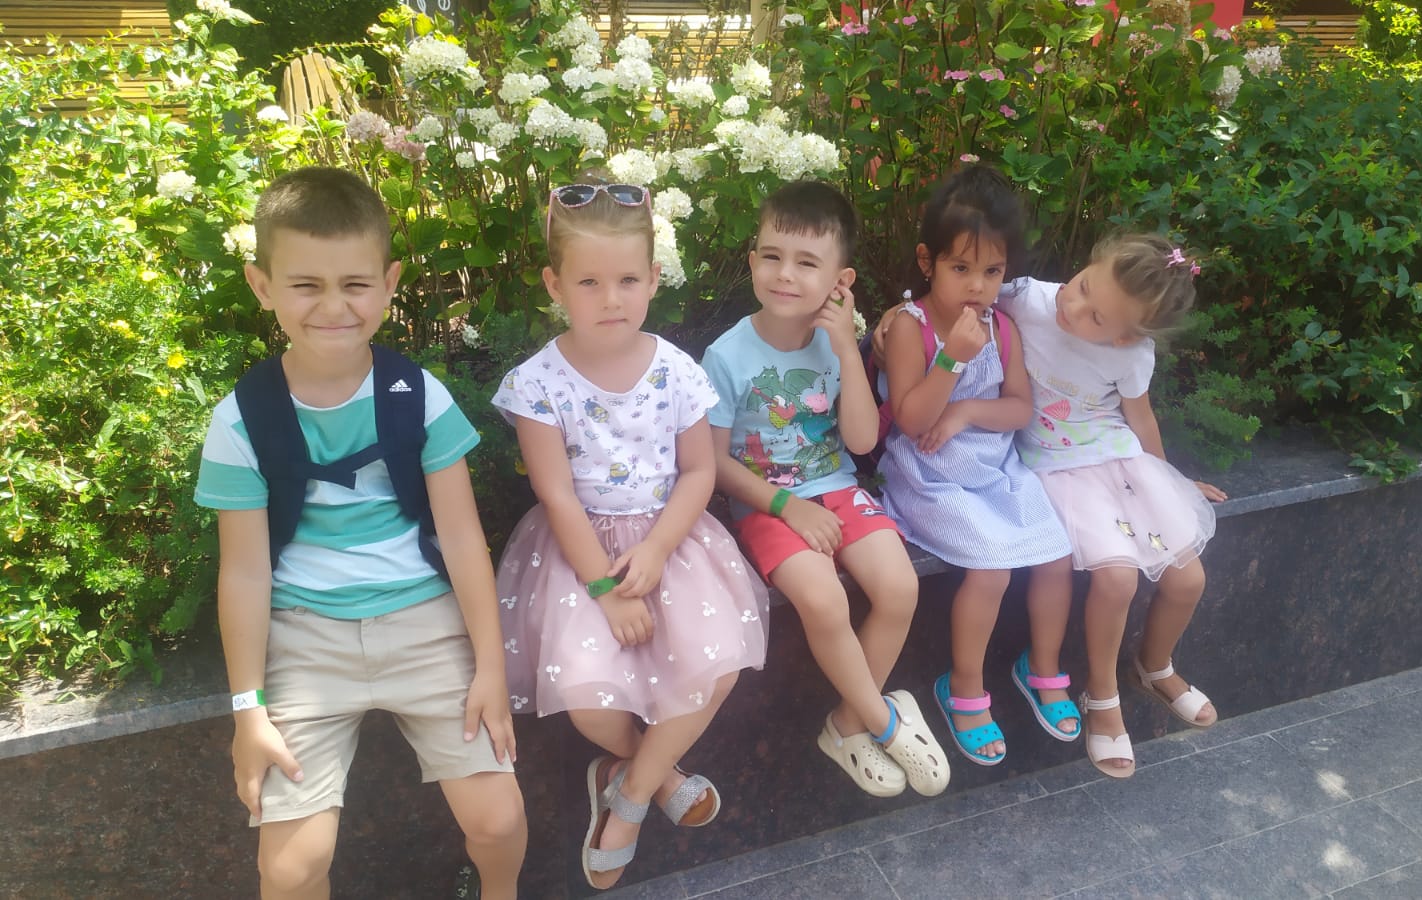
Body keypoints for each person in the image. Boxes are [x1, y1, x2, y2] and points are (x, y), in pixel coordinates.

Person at [196, 167, 526, 900]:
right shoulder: (241, 419)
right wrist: (247, 713)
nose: (334, 306)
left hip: (426, 625)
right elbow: (244, 574)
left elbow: (464, 538)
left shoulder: (417, 395)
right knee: (291, 869)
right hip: (306, 639)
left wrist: (491, 668)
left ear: (389, 282)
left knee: (499, 820)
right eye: (305, 285)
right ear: (262, 285)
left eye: (355, 282)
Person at [492, 179, 768, 891]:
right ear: (555, 284)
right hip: (580, 551)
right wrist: (608, 589)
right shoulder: (538, 384)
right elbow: (553, 491)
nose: (610, 298)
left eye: (626, 279)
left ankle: (631, 795)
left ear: (653, 279)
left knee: (717, 664)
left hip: (670, 539)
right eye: (588, 281)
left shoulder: (676, 370)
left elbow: (699, 473)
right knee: (585, 694)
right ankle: (654, 770)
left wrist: (653, 549)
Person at [702, 181, 950, 800]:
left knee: (899, 587)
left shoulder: (836, 344)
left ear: (841, 280)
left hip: (837, 484)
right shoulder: (726, 357)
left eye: (807, 263)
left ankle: (844, 725)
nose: (785, 275)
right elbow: (710, 464)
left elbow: (862, 442)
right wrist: (787, 505)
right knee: (823, 601)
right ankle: (887, 720)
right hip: (766, 502)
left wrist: (845, 349)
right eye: (771, 256)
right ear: (753, 259)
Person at [998, 233, 1228, 779]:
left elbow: (1139, 418)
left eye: (1096, 317)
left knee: (1187, 580)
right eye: (1080, 287)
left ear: (1126, 337)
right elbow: (960, 291)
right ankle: (1101, 697)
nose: (1072, 308)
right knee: (1118, 577)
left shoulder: (1131, 355)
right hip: (1057, 469)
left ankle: (1153, 665)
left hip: (1118, 463)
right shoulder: (1027, 299)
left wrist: (1172, 479)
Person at [877, 166, 1078, 768]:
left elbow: (1019, 409)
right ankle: (963, 686)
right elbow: (912, 421)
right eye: (960, 268)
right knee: (990, 570)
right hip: (928, 476)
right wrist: (952, 363)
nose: (976, 286)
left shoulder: (1004, 328)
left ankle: (1041, 666)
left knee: (1056, 553)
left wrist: (965, 409)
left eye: (992, 272)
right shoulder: (911, 330)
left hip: (995, 469)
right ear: (927, 262)